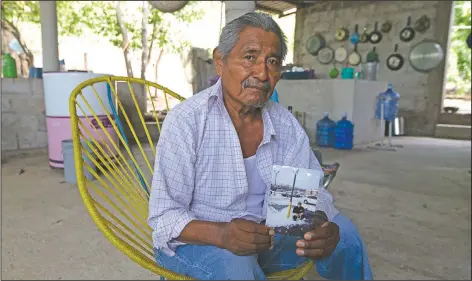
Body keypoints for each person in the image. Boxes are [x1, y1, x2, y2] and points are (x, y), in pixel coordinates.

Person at [148, 12, 373, 280]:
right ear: (220, 61)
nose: (262, 73)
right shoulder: (187, 121)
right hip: (197, 243)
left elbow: (296, 205)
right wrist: (221, 234)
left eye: (273, 61)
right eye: (250, 57)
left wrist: (318, 221)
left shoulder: (285, 124)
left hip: (267, 238)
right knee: (237, 264)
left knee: (344, 236)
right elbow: (164, 217)